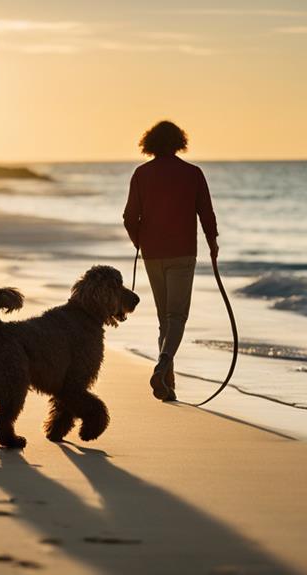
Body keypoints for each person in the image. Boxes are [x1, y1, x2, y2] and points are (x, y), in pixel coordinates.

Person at [122, 121, 218, 401]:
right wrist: (213, 244)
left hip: (153, 253)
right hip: (183, 253)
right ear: (179, 141)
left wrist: (140, 242)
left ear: (149, 143)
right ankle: (164, 365)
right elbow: (207, 214)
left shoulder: (141, 174)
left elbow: (129, 218)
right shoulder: (193, 173)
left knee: (165, 319)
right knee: (176, 316)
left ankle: (168, 386)